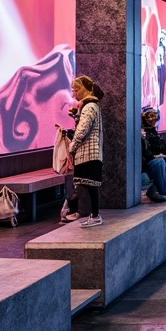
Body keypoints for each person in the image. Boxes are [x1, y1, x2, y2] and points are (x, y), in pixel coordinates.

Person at [66, 75, 104, 227]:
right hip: (90, 152)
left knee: (90, 186)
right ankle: (93, 215)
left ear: (84, 89)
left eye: (75, 90)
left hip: (88, 153)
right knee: (89, 186)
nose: (74, 94)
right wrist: (76, 116)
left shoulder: (89, 107)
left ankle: (95, 215)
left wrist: (72, 146)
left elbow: (82, 130)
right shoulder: (90, 106)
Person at [141, 106, 166, 202]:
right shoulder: (144, 133)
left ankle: (156, 190)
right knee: (159, 163)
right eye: (149, 117)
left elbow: (163, 151)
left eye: (154, 116)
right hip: (145, 163)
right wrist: (163, 156)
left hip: (154, 160)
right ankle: (164, 192)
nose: (152, 119)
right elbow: (147, 155)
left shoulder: (157, 134)